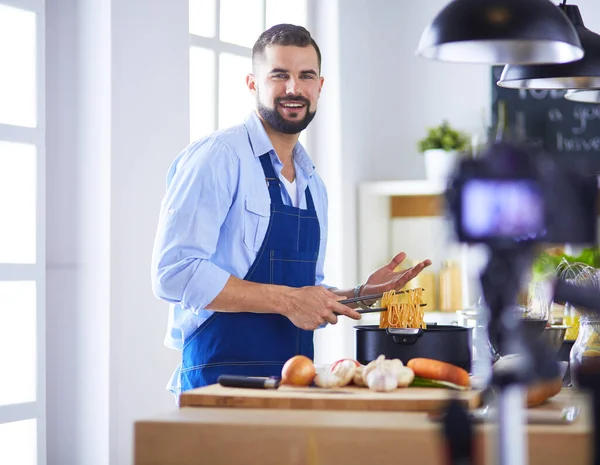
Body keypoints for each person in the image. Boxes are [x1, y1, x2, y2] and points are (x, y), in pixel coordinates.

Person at [151, 23, 431, 398]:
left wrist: (363, 294)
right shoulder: (218, 157)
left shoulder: (313, 184)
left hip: (294, 386)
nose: (294, 89)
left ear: (320, 86)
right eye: (279, 75)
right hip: (218, 386)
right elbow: (174, 273)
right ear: (253, 83)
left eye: (305, 76)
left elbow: (306, 295)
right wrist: (288, 301)